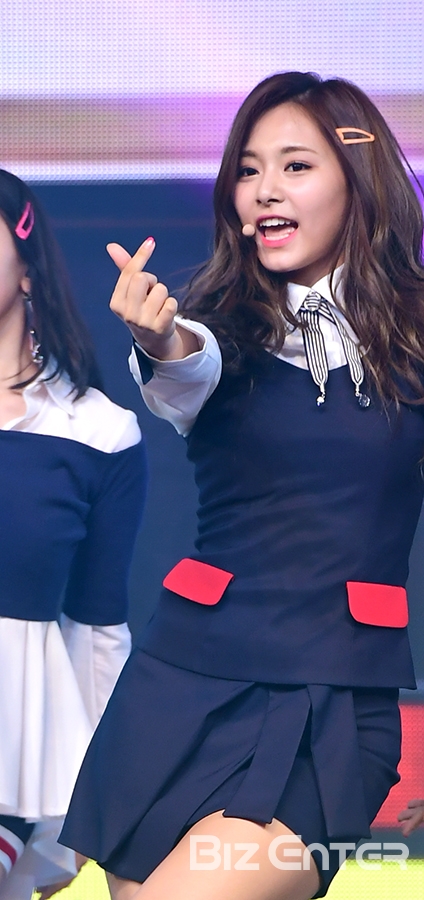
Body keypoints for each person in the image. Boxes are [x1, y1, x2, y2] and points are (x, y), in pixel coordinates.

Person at [60, 72, 424, 900]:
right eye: (248, 169)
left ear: (359, 178)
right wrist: (158, 339)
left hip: (332, 702)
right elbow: (184, 369)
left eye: (295, 166)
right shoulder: (216, 323)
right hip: (179, 686)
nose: (265, 189)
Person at [0, 169, 146, 900]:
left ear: (27, 268)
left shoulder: (96, 432)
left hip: (14, 742)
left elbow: (97, 630)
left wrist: (100, 794)